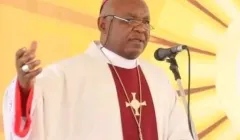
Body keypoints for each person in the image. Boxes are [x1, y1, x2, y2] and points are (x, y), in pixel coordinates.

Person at [2, 0, 194, 139]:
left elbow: (179, 132)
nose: (141, 29)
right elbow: (29, 115)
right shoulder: (65, 76)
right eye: (129, 20)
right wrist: (24, 88)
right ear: (103, 24)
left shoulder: (158, 79)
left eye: (145, 22)